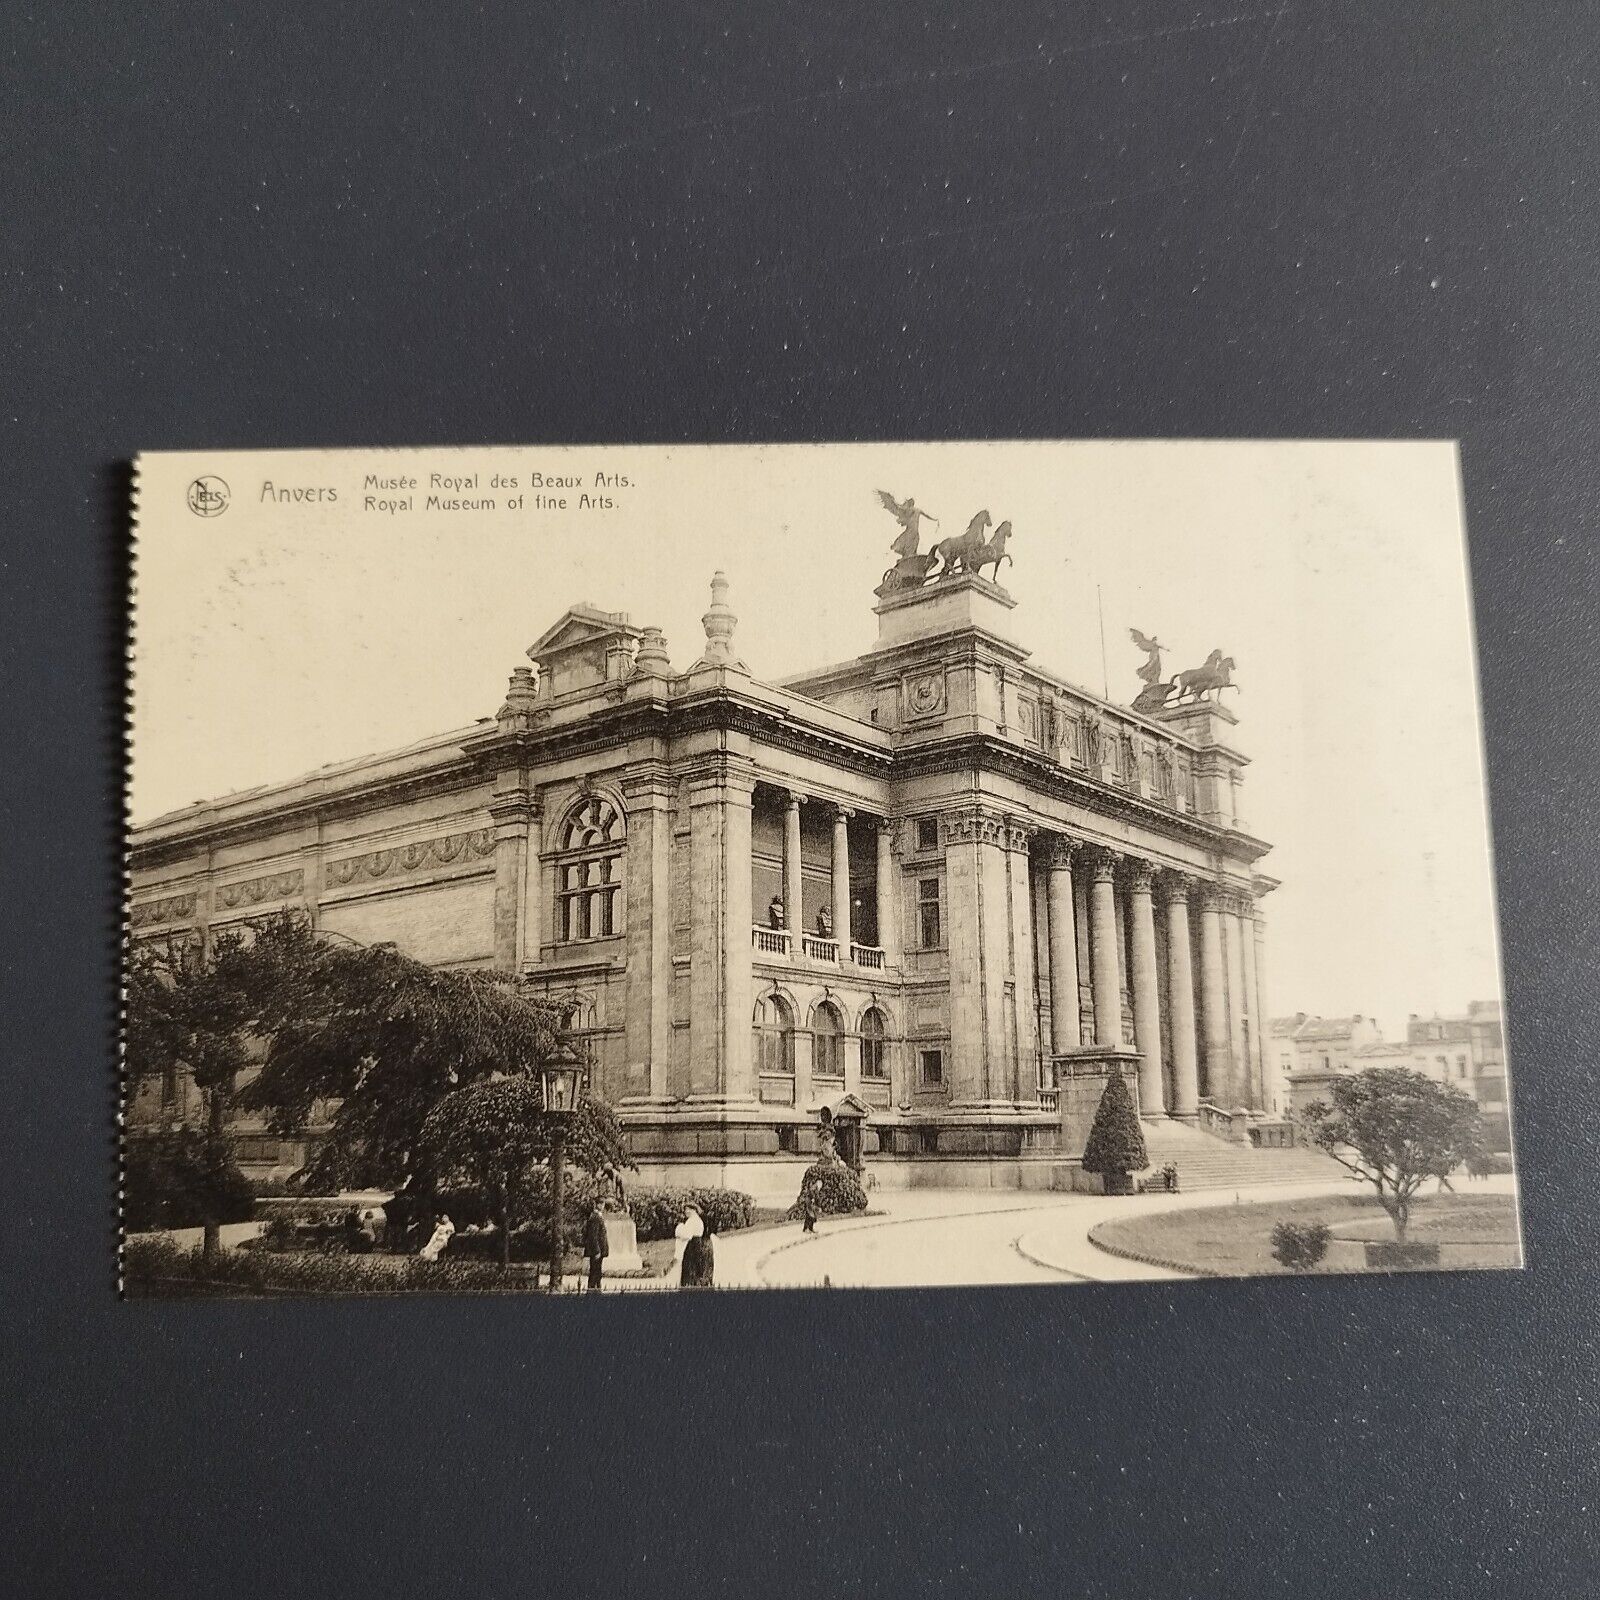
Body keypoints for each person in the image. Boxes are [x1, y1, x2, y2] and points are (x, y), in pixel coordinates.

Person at [681, 1214, 715, 1288]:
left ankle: (695, 1284)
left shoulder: (697, 1219)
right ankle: (705, 1283)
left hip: (699, 1243)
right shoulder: (701, 1218)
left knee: (694, 1265)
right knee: (704, 1266)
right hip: (706, 1243)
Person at [672, 1204, 704, 1281]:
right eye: (685, 1210)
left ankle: (689, 1282)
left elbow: (687, 1235)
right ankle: (696, 1279)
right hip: (696, 1242)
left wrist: (679, 1231)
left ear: (693, 1210)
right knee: (695, 1262)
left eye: (687, 1209)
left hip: (692, 1243)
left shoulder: (692, 1220)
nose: (686, 1212)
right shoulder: (697, 1219)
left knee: (689, 1263)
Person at [583, 1202, 609, 1292]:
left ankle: (597, 1290)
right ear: (597, 1205)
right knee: (595, 1272)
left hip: (599, 1250)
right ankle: (593, 1291)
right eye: (600, 1203)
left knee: (597, 1272)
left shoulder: (598, 1216)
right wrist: (597, 1250)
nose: (602, 1206)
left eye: (603, 1203)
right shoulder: (595, 1217)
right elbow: (593, 1236)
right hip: (596, 1251)